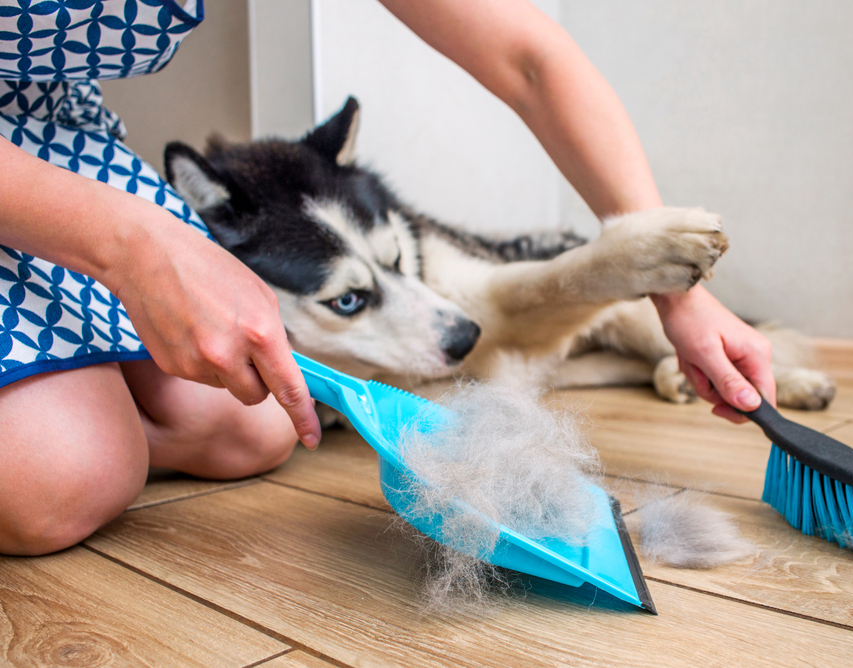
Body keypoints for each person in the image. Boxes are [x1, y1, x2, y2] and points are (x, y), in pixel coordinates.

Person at [0, 0, 774, 556]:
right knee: (63, 480)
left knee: (250, 427)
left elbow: (527, 57)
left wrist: (676, 282)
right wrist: (133, 246)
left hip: (57, 139)